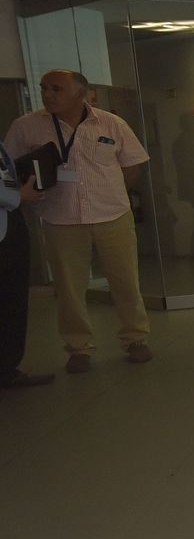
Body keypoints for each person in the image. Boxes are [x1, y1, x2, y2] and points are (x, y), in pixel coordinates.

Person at [3, 69, 152, 373]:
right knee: (69, 288)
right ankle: (78, 347)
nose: (48, 94)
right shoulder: (26, 126)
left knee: (125, 282)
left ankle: (135, 338)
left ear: (80, 93)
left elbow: (134, 165)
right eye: (44, 88)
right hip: (61, 218)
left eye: (56, 89)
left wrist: (112, 191)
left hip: (112, 215)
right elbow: (7, 168)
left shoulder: (111, 123)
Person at [0, 141, 54, 388]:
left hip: (11, 222)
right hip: (9, 209)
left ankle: (8, 368)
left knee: (13, 298)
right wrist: (17, 195)